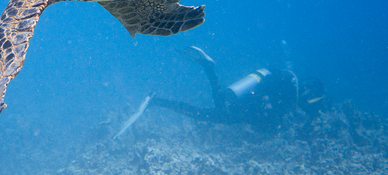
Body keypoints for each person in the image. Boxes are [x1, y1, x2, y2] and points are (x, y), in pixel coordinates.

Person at [114, 46, 326, 139]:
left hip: (243, 104)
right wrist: (268, 111)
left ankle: (158, 100)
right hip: (244, 108)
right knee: (203, 113)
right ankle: (206, 68)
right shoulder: (289, 92)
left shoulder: (288, 85)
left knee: (208, 110)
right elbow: (267, 111)